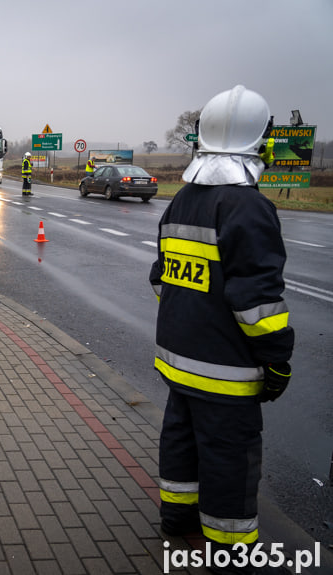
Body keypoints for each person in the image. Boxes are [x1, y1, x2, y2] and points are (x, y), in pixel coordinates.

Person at [149, 85, 293, 575]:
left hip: (177, 358)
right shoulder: (249, 209)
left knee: (181, 439)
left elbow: (161, 277)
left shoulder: (182, 201)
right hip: (225, 370)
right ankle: (229, 552)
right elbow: (258, 305)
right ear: (259, 142)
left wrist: (189, 314)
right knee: (229, 458)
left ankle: (176, 517)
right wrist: (277, 359)